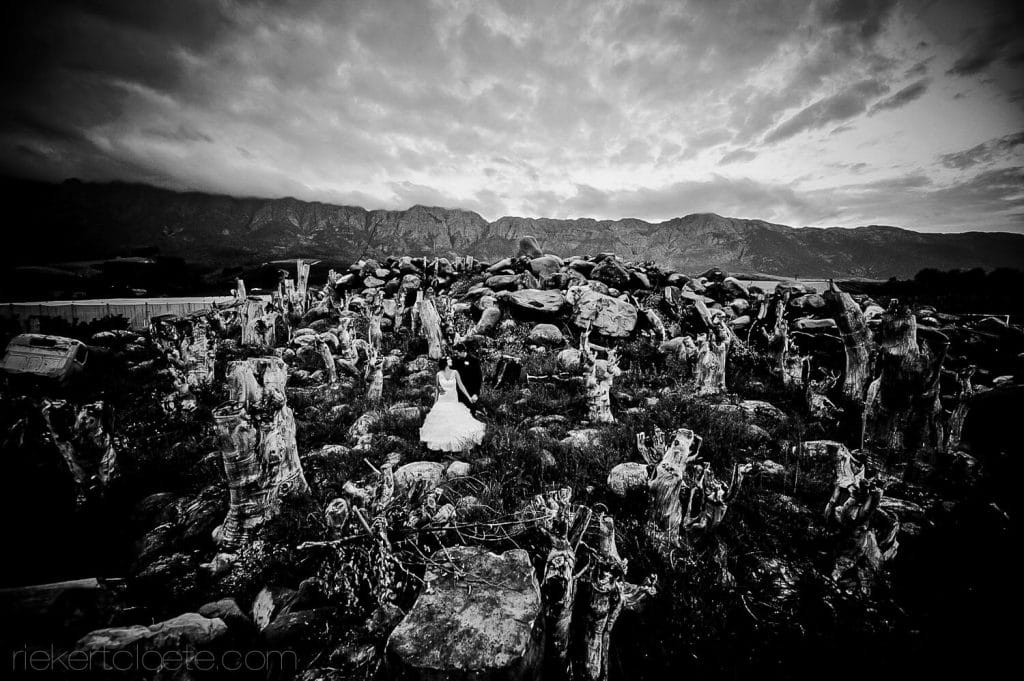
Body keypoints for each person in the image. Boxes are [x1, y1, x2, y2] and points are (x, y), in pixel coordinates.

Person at [419, 356, 486, 452]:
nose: (451, 361)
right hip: (442, 401)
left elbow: (461, 386)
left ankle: (456, 445)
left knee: (455, 422)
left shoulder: (455, 372)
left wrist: (469, 397)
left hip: (453, 401)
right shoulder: (438, 374)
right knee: (441, 424)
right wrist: (435, 404)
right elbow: (438, 390)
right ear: (445, 362)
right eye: (449, 360)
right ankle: (442, 446)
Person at [452, 342, 483, 412]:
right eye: (455, 353)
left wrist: (476, 393)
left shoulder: (474, 360)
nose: (456, 355)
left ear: (463, 351)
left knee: (471, 413)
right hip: (459, 392)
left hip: (471, 392)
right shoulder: (454, 360)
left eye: (457, 353)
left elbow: (479, 378)